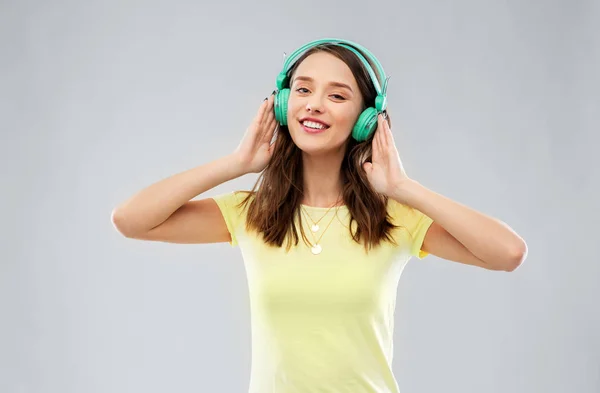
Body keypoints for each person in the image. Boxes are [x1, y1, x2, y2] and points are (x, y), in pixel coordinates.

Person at [111, 38, 528, 393]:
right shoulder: (251, 213)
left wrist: (404, 188)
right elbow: (131, 220)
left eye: (337, 95)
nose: (314, 106)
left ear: (366, 120)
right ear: (282, 103)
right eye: (303, 90)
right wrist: (237, 163)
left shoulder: (396, 217)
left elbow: (508, 253)